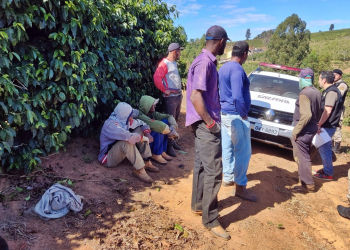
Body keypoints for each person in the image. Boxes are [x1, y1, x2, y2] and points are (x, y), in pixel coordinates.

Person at [186, 25, 231, 240]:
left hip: (201, 123)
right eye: (226, 43)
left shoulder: (202, 60)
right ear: (221, 42)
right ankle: (210, 218)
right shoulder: (205, 63)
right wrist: (211, 123)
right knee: (214, 170)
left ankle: (198, 204)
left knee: (202, 165)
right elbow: (195, 96)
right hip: (206, 124)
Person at [218, 41, 257, 202]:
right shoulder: (237, 69)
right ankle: (240, 186)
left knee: (227, 145)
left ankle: (228, 177)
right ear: (245, 54)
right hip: (236, 115)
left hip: (225, 114)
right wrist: (243, 115)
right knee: (243, 151)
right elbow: (236, 96)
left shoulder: (224, 67)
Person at [98, 102, 159, 183]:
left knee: (140, 129)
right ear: (125, 116)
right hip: (107, 158)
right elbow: (129, 137)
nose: (131, 117)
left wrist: (147, 133)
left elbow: (142, 123)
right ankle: (140, 170)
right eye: (130, 115)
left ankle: (146, 160)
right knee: (127, 142)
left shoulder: (123, 120)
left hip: (117, 150)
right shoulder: (110, 125)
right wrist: (143, 138)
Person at [291, 68, 321, 192]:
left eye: (300, 78)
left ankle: (307, 184)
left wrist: (296, 131)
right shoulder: (317, 92)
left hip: (303, 130)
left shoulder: (304, 93)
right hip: (312, 128)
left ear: (303, 79)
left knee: (302, 157)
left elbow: (306, 115)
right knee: (305, 155)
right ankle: (303, 179)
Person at [154, 42, 184, 156]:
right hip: (170, 98)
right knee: (171, 121)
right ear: (174, 51)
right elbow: (157, 78)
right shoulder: (164, 63)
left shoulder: (174, 63)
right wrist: (165, 90)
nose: (180, 53)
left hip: (177, 96)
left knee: (175, 120)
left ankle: (173, 141)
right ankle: (169, 146)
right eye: (179, 51)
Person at [313, 71, 342, 181]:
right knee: (323, 149)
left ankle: (328, 173)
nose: (318, 81)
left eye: (319, 79)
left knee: (325, 150)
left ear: (324, 80)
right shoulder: (329, 91)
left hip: (328, 126)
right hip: (327, 125)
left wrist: (319, 124)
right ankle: (326, 170)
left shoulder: (331, 92)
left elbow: (328, 111)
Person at [136, 95, 179, 165]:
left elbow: (169, 116)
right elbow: (159, 125)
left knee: (165, 121)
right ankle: (156, 154)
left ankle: (162, 151)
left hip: (151, 138)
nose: (155, 106)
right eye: (153, 105)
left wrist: (173, 127)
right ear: (147, 106)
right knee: (159, 130)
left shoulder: (152, 114)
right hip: (144, 141)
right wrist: (172, 132)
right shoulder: (140, 115)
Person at [332, 69, 348, 153]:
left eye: (336, 74)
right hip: (332, 108)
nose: (334, 76)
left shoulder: (342, 85)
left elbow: (338, 95)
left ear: (340, 76)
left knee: (337, 126)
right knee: (330, 125)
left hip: (338, 110)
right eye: (333, 74)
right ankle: (330, 145)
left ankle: (336, 147)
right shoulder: (333, 83)